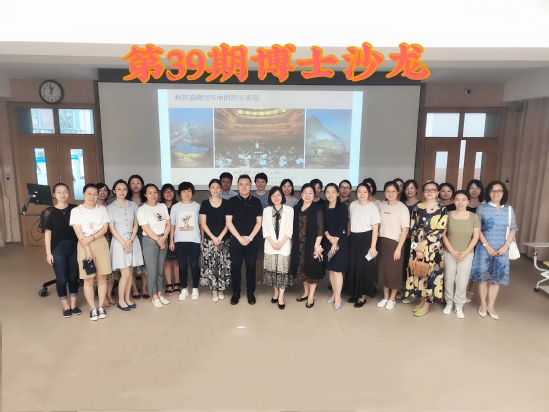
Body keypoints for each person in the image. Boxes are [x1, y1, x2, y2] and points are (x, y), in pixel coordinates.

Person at [470, 181, 518, 320]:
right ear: (488, 193)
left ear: (503, 193)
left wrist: (505, 246)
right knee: (483, 278)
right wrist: (487, 246)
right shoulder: (482, 208)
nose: (496, 193)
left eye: (499, 191)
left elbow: (513, 229)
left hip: (502, 249)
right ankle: (483, 304)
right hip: (484, 248)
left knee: (496, 279)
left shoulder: (509, 210)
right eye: (493, 191)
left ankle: (491, 305)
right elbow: (477, 230)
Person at [69, 183, 112, 321]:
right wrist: (87, 249)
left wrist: (92, 238)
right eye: (89, 194)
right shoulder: (76, 211)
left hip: (101, 243)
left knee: (102, 277)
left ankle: (101, 306)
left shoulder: (102, 209)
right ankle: (93, 308)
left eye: (95, 194)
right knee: (88, 279)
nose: (92, 197)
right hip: (83, 245)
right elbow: (78, 232)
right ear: (83, 194)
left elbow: (105, 228)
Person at [405, 181, 448, 317]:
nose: (429, 192)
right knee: (419, 273)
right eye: (427, 190)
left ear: (437, 192)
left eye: (432, 190)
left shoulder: (442, 209)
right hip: (417, 246)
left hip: (433, 249)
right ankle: (422, 300)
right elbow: (413, 229)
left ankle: (427, 305)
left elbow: (441, 230)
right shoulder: (417, 207)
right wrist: (416, 248)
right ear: (423, 192)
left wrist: (424, 243)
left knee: (431, 275)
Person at [43, 183, 80, 318]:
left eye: (65, 191)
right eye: (59, 192)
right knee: (62, 279)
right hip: (58, 249)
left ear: (69, 193)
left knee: (73, 277)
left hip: (74, 247)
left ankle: (73, 304)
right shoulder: (49, 212)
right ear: (54, 194)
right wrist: (48, 253)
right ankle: (65, 306)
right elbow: (47, 234)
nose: (62, 194)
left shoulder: (75, 209)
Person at [441, 190, 480, 319]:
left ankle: (459, 305)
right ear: (453, 201)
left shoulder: (474, 217)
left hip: (466, 254)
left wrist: (465, 252)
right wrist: (452, 251)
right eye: (457, 199)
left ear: (468, 201)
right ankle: (449, 303)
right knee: (449, 280)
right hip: (449, 253)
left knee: (462, 281)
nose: (460, 202)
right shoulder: (448, 215)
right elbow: (443, 235)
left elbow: (476, 237)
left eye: (464, 199)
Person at [226, 174, 263, 305]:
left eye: (247, 184)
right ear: (237, 186)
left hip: (252, 240)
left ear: (250, 186)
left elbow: (259, 223)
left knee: (251, 266)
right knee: (235, 266)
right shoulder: (231, 201)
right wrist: (239, 238)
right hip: (236, 240)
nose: (244, 187)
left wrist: (250, 237)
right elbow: (229, 222)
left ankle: (250, 293)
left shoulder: (256, 202)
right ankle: (235, 292)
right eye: (241, 184)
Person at [107, 179, 143, 311]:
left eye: (124, 189)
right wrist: (124, 243)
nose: (122, 192)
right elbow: (111, 228)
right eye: (119, 189)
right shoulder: (110, 208)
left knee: (130, 271)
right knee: (125, 274)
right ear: (114, 191)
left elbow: (136, 224)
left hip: (132, 240)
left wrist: (131, 240)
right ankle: (121, 301)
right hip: (119, 242)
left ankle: (127, 298)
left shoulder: (133, 205)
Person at [345, 183, 380, 307]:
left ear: (369, 193)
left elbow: (375, 228)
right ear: (356, 193)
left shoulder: (373, 208)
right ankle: (355, 293)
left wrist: (373, 246)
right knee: (353, 267)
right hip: (353, 238)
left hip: (366, 239)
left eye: (365, 192)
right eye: (359, 191)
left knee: (364, 268)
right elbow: (350, 222)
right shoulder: (353, 205)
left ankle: (362, 296)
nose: (362, 194)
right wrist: (348, 237)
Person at [376, 182, 410, 310]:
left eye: (393, 191)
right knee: (383, 271)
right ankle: (385, 297)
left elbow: (405, 230)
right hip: (382, 242)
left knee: (394, 272)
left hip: (395, 243)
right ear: (384, 192)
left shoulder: (402, 208)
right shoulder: (381, 206)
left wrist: (398, 249)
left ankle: (392, 298)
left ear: (398, 192)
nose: (390, 194)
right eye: (388, 191)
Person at [137, 183, 171, 308]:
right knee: (152, 270)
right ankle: (154, 296)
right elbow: (145, 227)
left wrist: (164, 237)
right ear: (145, 194)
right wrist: (158, 240)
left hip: (163, 238)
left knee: (160, 269)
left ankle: (160, 293)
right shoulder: (142, 209)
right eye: (150, 192)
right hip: (150, 240)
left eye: (155, 192)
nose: (153, 195)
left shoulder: (162, 206)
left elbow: (168, 223)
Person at [292, 183, 325, 308]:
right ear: (301, 194)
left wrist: (317, 246)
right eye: (305, 192)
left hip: (312, 244)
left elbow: (320, 229)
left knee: (312, 270)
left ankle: (311, 295)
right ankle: (305, 292)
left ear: (314, 194)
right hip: (298, 244)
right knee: (302, 270)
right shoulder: (296, 209)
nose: (307, 195)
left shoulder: (317, 209)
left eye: (310, 193)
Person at [199, 179, 231, 302]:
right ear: (209, 189)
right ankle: (213, 291)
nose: (215, 190)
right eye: (213, 187)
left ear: (221, 189)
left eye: (218, 187)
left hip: (224, 240)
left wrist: (220, 237)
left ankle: (221, 290)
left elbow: (228, 223)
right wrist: (213, 237)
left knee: (222, 265)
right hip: (209, 240)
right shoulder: (205, 203)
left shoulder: (227, 203)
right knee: (211, 266)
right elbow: (203, 223)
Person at [262, 186, 294, 309]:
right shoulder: (266, 210)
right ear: (270, 197)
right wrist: (273, 243)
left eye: (278, 195)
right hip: (270, 245)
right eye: (273, 195)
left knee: (283, 271)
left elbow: (290, 229)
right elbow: (265, 228)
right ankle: (275, 292)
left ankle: (281, 296)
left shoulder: (289, 210)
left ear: (282, 196)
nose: (276, 198)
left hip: (284, 245)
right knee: (272, 271)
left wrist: (280, 243)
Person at [170, 182, 201, 301]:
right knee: (182, 266)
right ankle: (184, 288)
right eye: (184, 191)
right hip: (180, 240)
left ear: (192, 192)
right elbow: (172, 225)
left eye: (189, 191)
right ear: (180, 193)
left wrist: (202, 239)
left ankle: (195, 288)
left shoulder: (197, 206)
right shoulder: (175, 207)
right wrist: (171, 241)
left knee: (194, 265)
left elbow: (201, 224)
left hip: (195, 240)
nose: (186, 193)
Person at [323, 183, 349, 310]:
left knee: (338, 270)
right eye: (328, 192)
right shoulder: (323, 207)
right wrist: (328, 237)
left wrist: (335, 241)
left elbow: (342, 224)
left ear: (338, 193)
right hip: (328, 241)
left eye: (333, 192)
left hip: (340, 241)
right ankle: (334, 293)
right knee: (331, 270)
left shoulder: (342, 207)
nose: (330, 194)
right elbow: (322, 224)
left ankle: (338, 297)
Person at [95, 182, 119, 306]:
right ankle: (102, 295)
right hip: (96, 240)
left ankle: (109, 294)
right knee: (100, 269)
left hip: (111, 239)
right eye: (99, 190)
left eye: (105, 190)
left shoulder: (110, 207)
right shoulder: (92, 207)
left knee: (111, 269)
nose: (102, 192)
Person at [127, 174, 149, 300]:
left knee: (145, 263)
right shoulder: (126, 201)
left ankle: (145, 287)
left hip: (145, 235)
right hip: (130, 237)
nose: (135, 185)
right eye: (132, 183)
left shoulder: (147, 201)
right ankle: (134, 288)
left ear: (142, 185)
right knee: (131, 263)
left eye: (138, 182)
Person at [401, 179, 421, 304]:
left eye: (412, 188)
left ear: (417, 190)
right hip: (402, 239)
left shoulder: (420, 205)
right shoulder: (401, 204)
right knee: (403, 265)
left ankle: (413, 293)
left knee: (413, 265)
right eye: (407, 188)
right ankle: (404, 290)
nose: (409, 191)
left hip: (415, 240)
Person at [160, 183, 180, 295]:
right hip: (163, 237)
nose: (168, 193)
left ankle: (177, 283)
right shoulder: (159, 206)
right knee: (166, 262)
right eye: (166, 191)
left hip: (177, 237)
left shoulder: (178, 205)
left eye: (171, 191)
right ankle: (168, 284)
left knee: (176, 262)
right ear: (162, 194)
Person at [252, 172, 269, 284]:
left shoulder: (270, 195)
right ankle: (258, 276)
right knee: (257, 253)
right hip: (254, 228)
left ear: (266, 183)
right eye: (258, 182)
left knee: (266, 252)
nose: (260, 184)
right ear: (255, 183)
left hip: (268, 228)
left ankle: (265, 276)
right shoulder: (251, 195)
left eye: (263, 182)